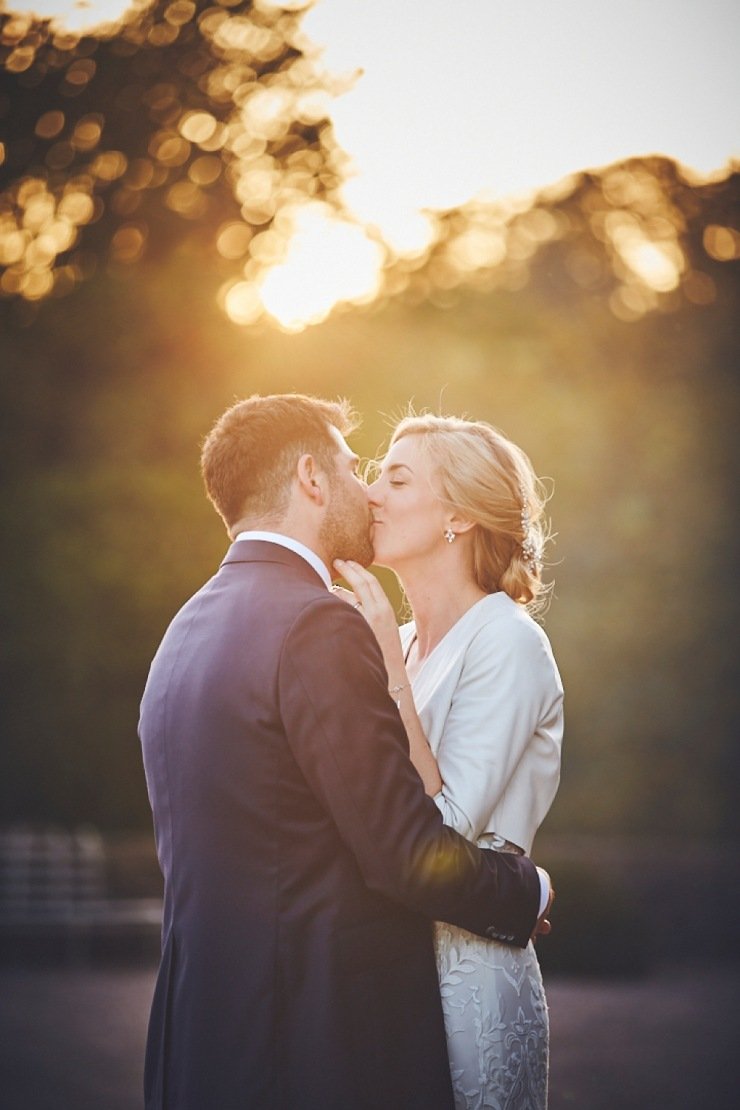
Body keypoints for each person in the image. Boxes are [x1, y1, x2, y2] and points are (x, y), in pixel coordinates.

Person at [138, 394, 552, 1110]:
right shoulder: (316, 626)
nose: (367, 490)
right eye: (358, 468)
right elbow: (398, 849)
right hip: (307, 1043)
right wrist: (531, 891)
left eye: (392, 477)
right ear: (310, 479)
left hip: (203, 1034)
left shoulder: (187, 627)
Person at [334, 413, 564, 1110]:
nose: (371, 495)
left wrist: (386, 671)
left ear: (458, 515)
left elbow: (444, 830)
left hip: (469, 978)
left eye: (396, 479)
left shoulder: (508, 641)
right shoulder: (397, 638)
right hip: (387, 969)